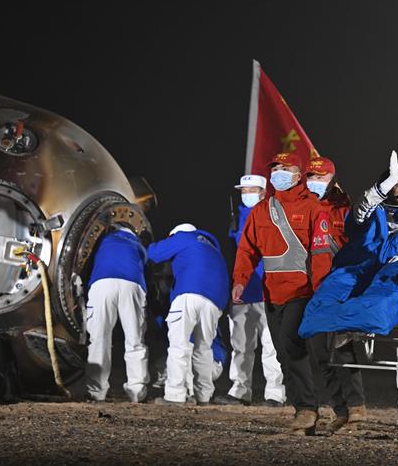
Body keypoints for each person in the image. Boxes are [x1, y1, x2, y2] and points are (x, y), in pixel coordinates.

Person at [300, 151, 398, 430]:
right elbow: (359, 215)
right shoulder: (376, 208)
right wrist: (380, 190)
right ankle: (342, 322)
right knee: (333, 290)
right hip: (363, 263)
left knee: (389, 310)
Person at [232, 152, 333, 435]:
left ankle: (307, 409)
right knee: (282, 354)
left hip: (303, 290)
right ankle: (304, 410)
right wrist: (240, 279)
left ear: (298, 174)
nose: (278, 171)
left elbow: (321, 252)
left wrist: (320, 290)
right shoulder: (262, 210)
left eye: (284, 167)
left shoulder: (313, 208)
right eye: (274, 167)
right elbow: (247, 249)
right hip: (271, 292)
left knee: (291, 345)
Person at [302, 156, 363, 430]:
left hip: (336, 287)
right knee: (319, 352)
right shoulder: (301, 206)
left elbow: (358, 244)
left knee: (342, 347)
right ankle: (340, 409)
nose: (315, 182)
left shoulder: (345, 209)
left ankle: (357, 408)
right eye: (311, 177)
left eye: (321, 177)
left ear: (332, 180)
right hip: (307, 287)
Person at [214, 174, 286, 407]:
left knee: (271, 346)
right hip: (243, 291)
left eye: (251, 190)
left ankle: (275, 394)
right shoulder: (237, 218)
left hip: (269, 291)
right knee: (241, 345)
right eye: (243, 191)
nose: (246, 195)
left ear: (264, 192)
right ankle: (239, 390)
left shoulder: (274, 215)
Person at [148, 223, 230, 405]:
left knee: (179, 345)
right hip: (216, 301)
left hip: (189, 293)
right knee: (203, 348)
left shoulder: (183, 237)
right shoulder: (213, 250)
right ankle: (204, 397)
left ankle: (175, 396)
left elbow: (152, 253)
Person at [85, 224, 150, 403]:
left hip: (102, 283)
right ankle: (137, 391)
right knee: (135, 340)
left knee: (99, 338)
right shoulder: (137, 244)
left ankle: (96, 392)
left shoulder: (103, 240)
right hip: (132, 284)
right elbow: (145, 263)